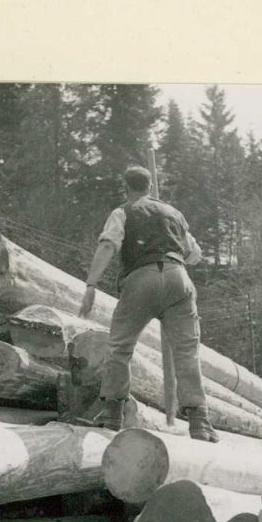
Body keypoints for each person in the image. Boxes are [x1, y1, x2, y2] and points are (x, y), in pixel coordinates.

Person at [78, 166, 218, 440]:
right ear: (150, 187)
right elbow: (194, 255)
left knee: (120, 347)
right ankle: (199, 421)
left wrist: (91, 284)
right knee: (187, 352)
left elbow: (108, 246)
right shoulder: (174, 213)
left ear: (126, 188)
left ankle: (111, 414)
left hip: (141, 279)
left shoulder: (123, 212)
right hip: (178, 279)